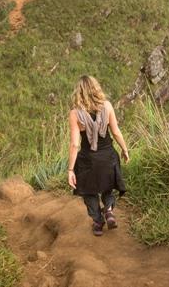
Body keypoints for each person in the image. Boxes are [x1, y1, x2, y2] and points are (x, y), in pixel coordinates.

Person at [67, 75, 130, 236]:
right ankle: (108, 210)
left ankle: (98, 221)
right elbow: (116, 132)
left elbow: (75, 144)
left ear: (78, 92)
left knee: (89, 192)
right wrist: (124, 149)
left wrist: (71, 170)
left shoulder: (75, 114)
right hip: (108, 156)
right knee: (107, 186)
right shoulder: (107, 106)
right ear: (96, 89)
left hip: (88, 160)